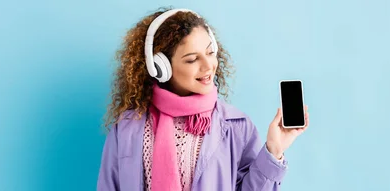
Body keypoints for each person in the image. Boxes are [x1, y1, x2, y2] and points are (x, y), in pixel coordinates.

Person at [97, 7, 309, 191]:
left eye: (210, 53)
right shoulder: (127, 127)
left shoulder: (236, 126)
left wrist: (274, 150)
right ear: (160, 67)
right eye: (192, 59)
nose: (208, 66)